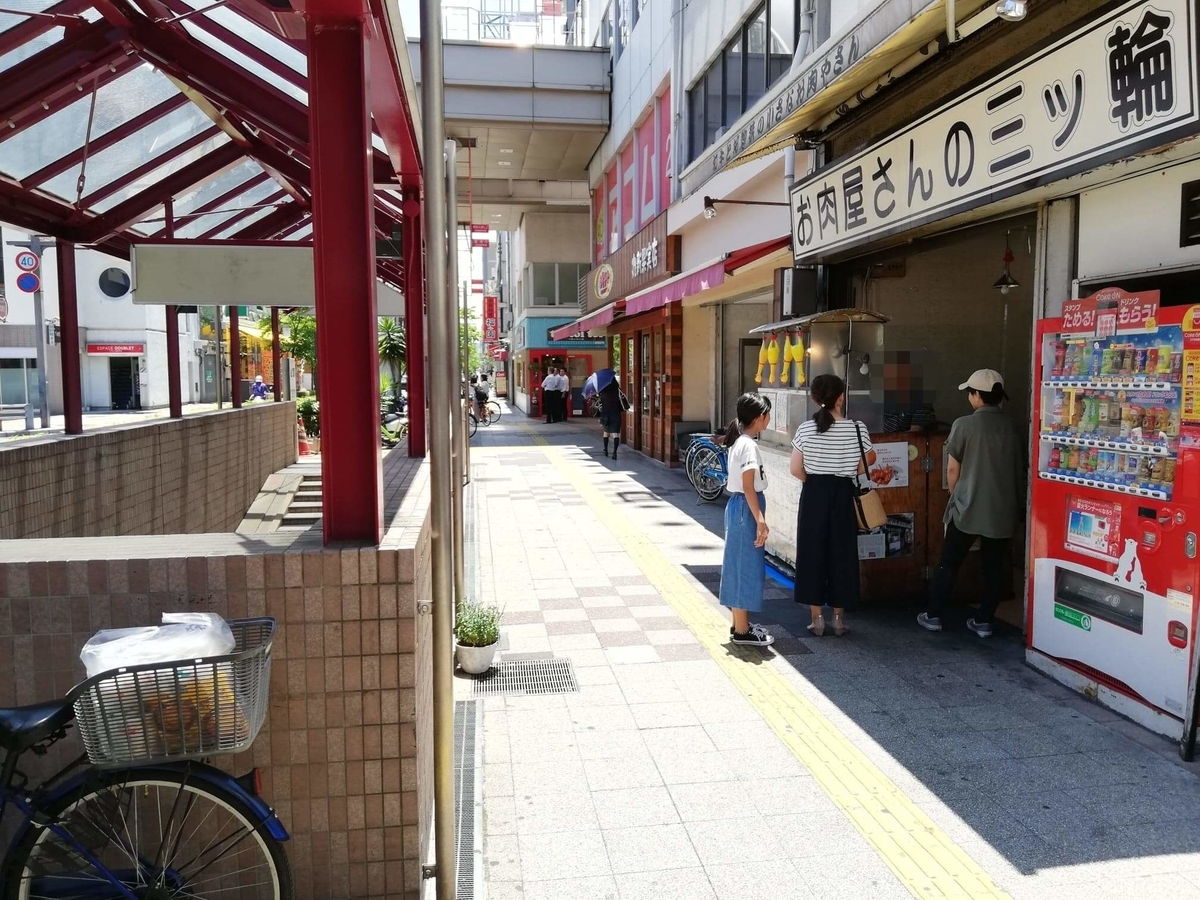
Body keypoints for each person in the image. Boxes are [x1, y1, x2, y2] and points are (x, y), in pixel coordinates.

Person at [918, 369, 1024, 638]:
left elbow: (952, 470)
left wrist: (956, 497)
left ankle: (933, 615)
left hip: (968, 507)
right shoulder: (1012, 426)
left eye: (970, 393)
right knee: (993, 567)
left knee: (950, 562)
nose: (970, 398)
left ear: (977, 396)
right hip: (1002, 509)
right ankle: (984, 621)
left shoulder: (964, 424)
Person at [790, 374, 877, 637]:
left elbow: (795, 469)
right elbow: (868, 459)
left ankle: (816, 620)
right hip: (843, 493)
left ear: (816, 399)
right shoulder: (857, 429)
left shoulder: (806, 429)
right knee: (843, 553)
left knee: (812, 552)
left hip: (815, 492)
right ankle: (839, 620)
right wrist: (847, 471)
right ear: (841, 397)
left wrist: (816, 481)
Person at [719, 392, 775, 646]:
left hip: (739, 506)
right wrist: (761, 521)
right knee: (745, 567)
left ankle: (739, 624)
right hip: (747, 506)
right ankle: (742, 631)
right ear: (759, 417)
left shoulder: (740, 441)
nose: (769, 419)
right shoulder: (749, 445)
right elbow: (749, 486)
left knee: (738, 564)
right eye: (767, 414)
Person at [599, 376, 623, 459]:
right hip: (616, 413)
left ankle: (605, 450)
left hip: (606, 414)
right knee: (616, 434)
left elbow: (601, 404)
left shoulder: (603, 391)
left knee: (606, 432)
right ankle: (615, 453)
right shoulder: (617, 391)